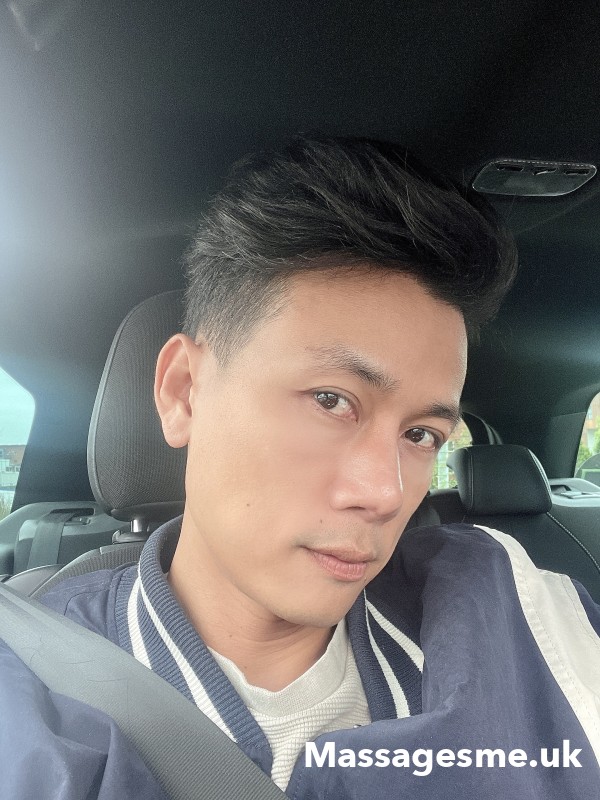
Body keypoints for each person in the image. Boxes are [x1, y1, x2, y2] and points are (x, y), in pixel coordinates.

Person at [1, 134, 599, 799]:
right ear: (183, 392)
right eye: (330, 400)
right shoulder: (28, 690)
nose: (385, 492)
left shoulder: (515, 614)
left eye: (421, 435)